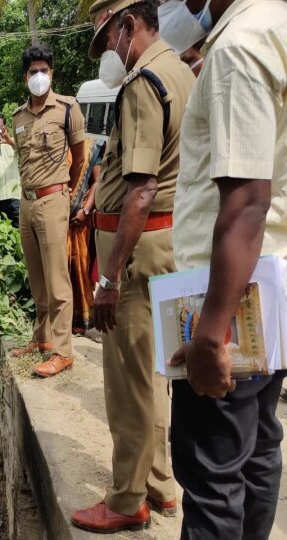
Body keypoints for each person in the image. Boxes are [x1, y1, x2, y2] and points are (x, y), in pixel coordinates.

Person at [160, 0, 287, 537]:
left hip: (228, 295)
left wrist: (211, 334)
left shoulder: (238, 46)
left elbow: (244, 201)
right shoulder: (277, 24)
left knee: (211, 472)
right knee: (257, 447)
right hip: (269, 288)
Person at [71, 0, 195, 533]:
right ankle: (162, 484)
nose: (109, 54)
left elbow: (140, 189)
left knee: (127, 382)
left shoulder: (145, 82)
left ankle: (126, 499)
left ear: (128, 25)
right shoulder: (182, 72)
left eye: (107, 41)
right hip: (167, 243)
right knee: (155, 373)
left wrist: (108, 275)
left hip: (137, 250)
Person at [10, 44, 86, 378]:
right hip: (26, 203)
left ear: (51, 73)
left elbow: (80, 158)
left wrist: (66, 193)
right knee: (37, 278)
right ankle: (41, 339)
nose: (38, 76)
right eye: (32, 72)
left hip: (54, 199)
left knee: (57, 280)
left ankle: (63, 351)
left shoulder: (68, 108)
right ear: (24, 77)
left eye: (43, 70)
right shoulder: (18, 117)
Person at [68, 139, 105, 335]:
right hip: (57, 217)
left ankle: (82, 319)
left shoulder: (91, 148)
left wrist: (85, 209)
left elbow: (97, 182)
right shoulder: (56, 143)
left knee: (79, 268)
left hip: (79, 221)